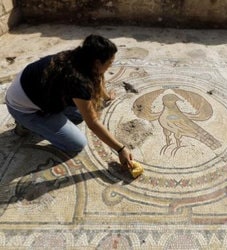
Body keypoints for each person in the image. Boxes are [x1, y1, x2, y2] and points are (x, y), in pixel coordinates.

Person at [5, 34, 133, 169]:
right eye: (109, 63)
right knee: (76, 144)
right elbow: (93, 123)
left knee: (78, 115)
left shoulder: (81, 58)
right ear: (97, 62)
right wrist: (120, 149)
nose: (111, 66)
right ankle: (25, 125)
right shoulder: (78, 82)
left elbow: (98, 76)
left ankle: (40, 122)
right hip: (24, 108)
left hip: (33, 91)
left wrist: (106, 96)